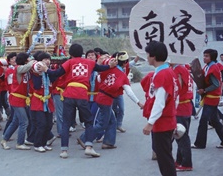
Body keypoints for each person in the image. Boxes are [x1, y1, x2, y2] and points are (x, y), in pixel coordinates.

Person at [40, 43, 117, 159]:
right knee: (89, 122)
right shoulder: (90, 63)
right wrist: (110, 66)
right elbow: (101, 68)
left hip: (69, 93)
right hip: (82, 94)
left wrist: (46, 70)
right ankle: (89, 147)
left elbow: (56, 74)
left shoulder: (69, 62)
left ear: (70, 54)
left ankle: (64, 150)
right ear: (82, 53)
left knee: (66, 123)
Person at [78, 51, 143, 150]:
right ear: (125, 63)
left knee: (112, 121)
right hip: (106, 100)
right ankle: (84, 138)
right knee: (102, 124)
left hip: (100, 95)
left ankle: (108, 142)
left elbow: (99, 78)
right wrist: (139, 102)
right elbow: (129, 92)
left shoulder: (109, 69)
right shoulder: (122, 76)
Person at [142, 41, 178, 176]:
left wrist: (150, 123)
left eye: (147, 54)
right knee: (166, 156)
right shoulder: (169, 72)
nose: (146, 57)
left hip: (162, 122)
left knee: (164, 159)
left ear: (153, 56)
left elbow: (160, 102)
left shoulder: (162, 74)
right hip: (168, 120)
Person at [192, 49, 223, 149]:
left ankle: (200, 143)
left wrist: (204, 90)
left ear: (212, 57)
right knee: (215, 120)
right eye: (204, 55)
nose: (204, 58)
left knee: (203, 120)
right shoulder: (208, 66)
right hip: (210, 97)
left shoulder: (213, 67)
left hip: (212, 97)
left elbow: (216, 84)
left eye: (206, 56)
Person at [1, 52, 35, 150]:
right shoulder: (18, 68)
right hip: (16, 98)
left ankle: (4, 140)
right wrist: (32, 61)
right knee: (24, 121)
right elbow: (27, 66)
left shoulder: (24, 69)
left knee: (15, 121)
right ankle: (19, 143)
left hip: (22, 98)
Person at [30, 52, 56, 152]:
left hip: (48, 100)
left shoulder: (50, 72)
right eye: (44, 59)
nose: (47, 61)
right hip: (38, 100)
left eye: (48, 59)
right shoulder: (35, 72)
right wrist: (40, 71)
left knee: (49, 124)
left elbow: (55, 78)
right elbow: (36, 85)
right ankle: (37, 144)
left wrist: (47, 71)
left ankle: (44, 143)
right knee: (41, 123)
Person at [171, 63, 194, 171]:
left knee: (182, 136)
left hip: (181, 106)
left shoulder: (178, 70)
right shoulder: (184, 69)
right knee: (180, 134)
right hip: (186, 105)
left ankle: (187, 163)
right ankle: (179, 161)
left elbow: (177, 89)